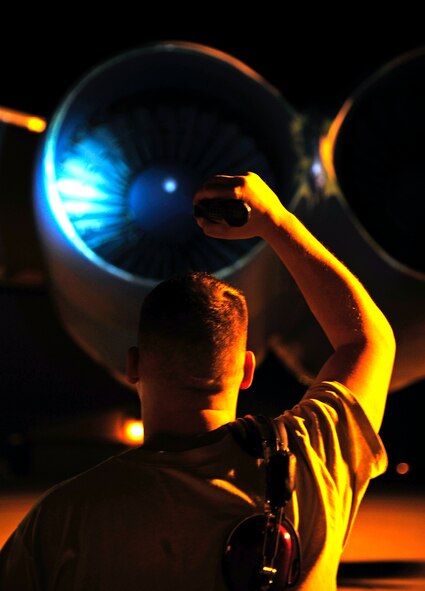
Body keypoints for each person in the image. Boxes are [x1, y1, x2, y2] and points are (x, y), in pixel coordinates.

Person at [0, 172, 395, 590]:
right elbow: (367, 339)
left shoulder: (63, 519)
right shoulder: (311, 460)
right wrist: (277, 223)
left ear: (133, 366)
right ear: (246, 370)